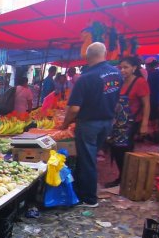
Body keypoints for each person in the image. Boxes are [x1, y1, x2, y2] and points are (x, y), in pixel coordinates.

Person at [61, 42, 122, 207]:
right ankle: (83, 189)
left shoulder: (86, 78)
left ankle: (89, 198)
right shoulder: (116, 73)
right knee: (91, 156)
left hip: (89, 123)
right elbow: (117, 100)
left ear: (87, 56)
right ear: (105, 53)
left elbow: (74, 108)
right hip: (107, 122)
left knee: (87, 160)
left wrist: (65, 124)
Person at [105, 56, 150, 188]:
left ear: (134, 68)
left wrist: (144, 123)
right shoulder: (121, 82)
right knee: (115, 150)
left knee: (124, 151)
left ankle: (126, 180)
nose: (122, 70)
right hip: (118, 123)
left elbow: (146, 104)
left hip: (130, 123)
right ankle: (122, 177)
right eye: (121, 67)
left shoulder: (140, 82)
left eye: (126, 67)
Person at [146, 58, 159, 139]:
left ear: (149, 65)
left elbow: (148, 88)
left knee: (152, 118)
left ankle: (153, 134)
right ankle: (158, 134)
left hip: (152, 99)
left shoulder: (151, 74)